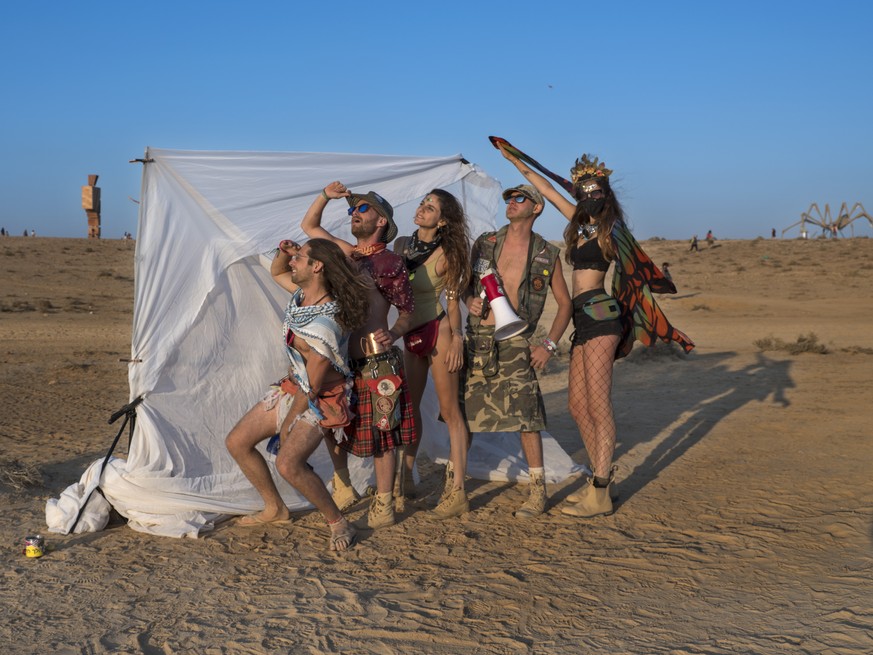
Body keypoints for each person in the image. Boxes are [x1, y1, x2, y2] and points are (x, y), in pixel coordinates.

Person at [497, 140, 694, 518]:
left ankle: (600, 489)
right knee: (576, 405)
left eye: (596, 192)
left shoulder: (611, 230)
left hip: (602, 315)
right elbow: (548, 190)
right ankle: (599, 479)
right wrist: (515, 160)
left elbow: (635, 267)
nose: (589, 198)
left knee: (598, 403)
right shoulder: (578, 224)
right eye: (584, 192)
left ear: (607, 195)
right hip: (582, 319)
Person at [225, 238, 370, 551]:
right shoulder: (303, 296)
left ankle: (339, 522)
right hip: (293, 388)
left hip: (321, 399)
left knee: (288, 465)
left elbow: (314, 384)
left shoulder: (327, 320)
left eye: (300, 258)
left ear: (317, 266)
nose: (293, 262)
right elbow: (277, 271)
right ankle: (275, 508)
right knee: (237, 442)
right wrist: (285, 251)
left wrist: (289, 420)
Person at [302, 182, 417, 530]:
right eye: (352, 210)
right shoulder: (345, 254)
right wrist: (325, 195)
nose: (353, 213)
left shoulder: (390, 262)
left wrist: (394, 332)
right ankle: (344, 487)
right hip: (339, 361)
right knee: (331, 424)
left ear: (381, 220)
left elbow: (408, 311)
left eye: (362, 209)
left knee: (384, 432)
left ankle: (384, 503)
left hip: (376, 361)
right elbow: (309, 226)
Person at [462, 183, 572, 519]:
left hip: (517, 340)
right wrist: (470, 300)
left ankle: (538, 492)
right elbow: (465, 286)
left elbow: (565, 304)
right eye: (508, 198)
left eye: (519, 198)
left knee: (527, 416)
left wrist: (548, 346)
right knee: (464, 414)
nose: (511, 202)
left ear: (536, 208)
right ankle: (454, 488)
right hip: (479, 337)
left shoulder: (546, 253)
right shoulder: (485, 243)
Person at [393, 189, 472, 519]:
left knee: (449, 410)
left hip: (438, 332)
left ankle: (458, 493)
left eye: (431, 207)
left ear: (442, 220)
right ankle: (405, 480)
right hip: (410, 336)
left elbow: (453, 304)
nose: (422, 209)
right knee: (408, 408)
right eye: (422, 203)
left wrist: (457, 340)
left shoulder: (448, 253)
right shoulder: (400, 246)